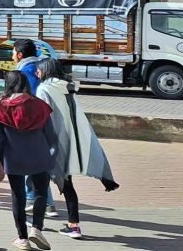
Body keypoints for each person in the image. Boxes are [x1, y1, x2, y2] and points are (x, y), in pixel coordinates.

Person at [34, 58, 120, 241]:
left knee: (40, 185)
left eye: (38, 70)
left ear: (45, 70)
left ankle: (36, 226)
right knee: (66, 184)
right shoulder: (68, 88)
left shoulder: (43, 89)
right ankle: (74, 226)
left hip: (51, 142)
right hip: (71, 142)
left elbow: (42, 116)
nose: (37, 73)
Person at [0, 71, 57, 251]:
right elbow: (51, 137)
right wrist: (51, 157)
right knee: (41, 191)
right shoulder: (40, 106)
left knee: (18, 196)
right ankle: (37, 228)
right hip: (40, 156)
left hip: (13, 158)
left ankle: (22, 238)